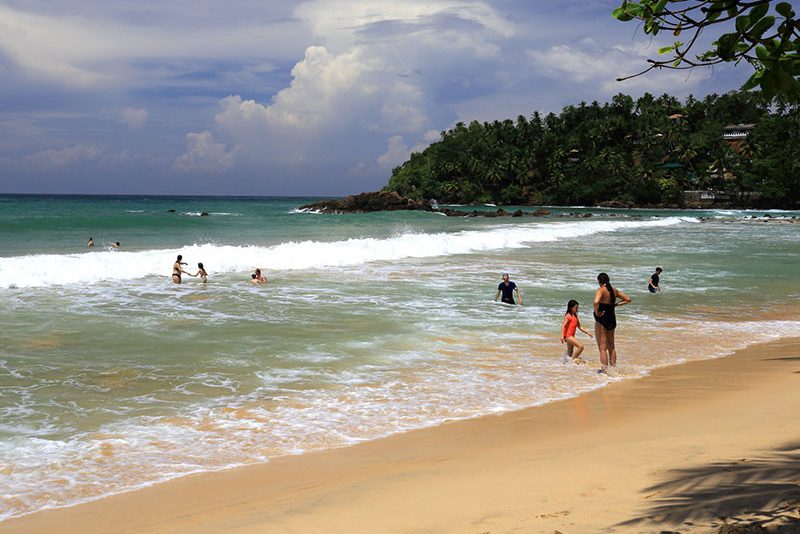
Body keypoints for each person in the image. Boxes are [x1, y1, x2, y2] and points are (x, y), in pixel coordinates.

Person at [593, 272, 631, 371]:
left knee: (602, 347)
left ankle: (605, 371)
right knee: (612, 346)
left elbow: (596, 302)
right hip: (612, 317)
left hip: (602, 319)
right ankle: (613, 369)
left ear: (599, 281)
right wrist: (615, 305)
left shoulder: (601, 290)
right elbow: (628, 299)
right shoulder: (614, 290)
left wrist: (597, 312)